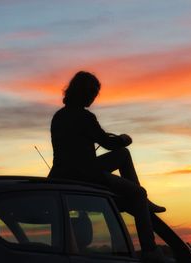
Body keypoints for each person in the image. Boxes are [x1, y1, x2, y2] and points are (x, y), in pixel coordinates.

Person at [48, 71, 168, 262]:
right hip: (85, 174)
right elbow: (108, 143)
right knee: (137, 192)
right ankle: (150, 250)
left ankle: (142, 203)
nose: (93, 98)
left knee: (123, 156)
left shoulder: (59, 116)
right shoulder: (85, 117)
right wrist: (124, 139)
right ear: (82, 92)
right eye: (92, 93)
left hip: (62, 173)